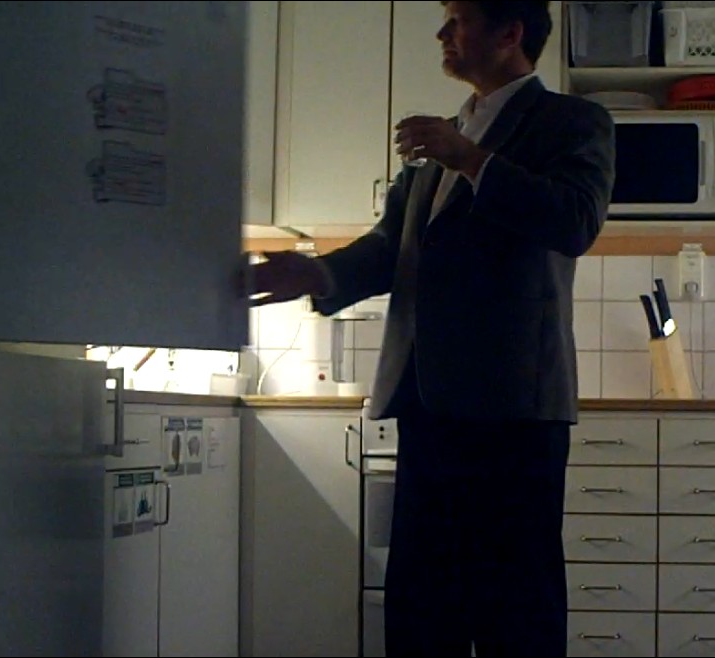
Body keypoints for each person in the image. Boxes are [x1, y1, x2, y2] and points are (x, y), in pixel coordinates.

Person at [248, 1, 615, 655]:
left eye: (459, 18)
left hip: (514, 409)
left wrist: (472, 159)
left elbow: (574, 221)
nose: (443, 33)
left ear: (510, 33)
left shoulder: (571, 121)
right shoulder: (444, 137)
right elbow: (392, 247)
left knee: (515, 611)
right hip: (427, 404)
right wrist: (317, 273)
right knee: (423, 608)